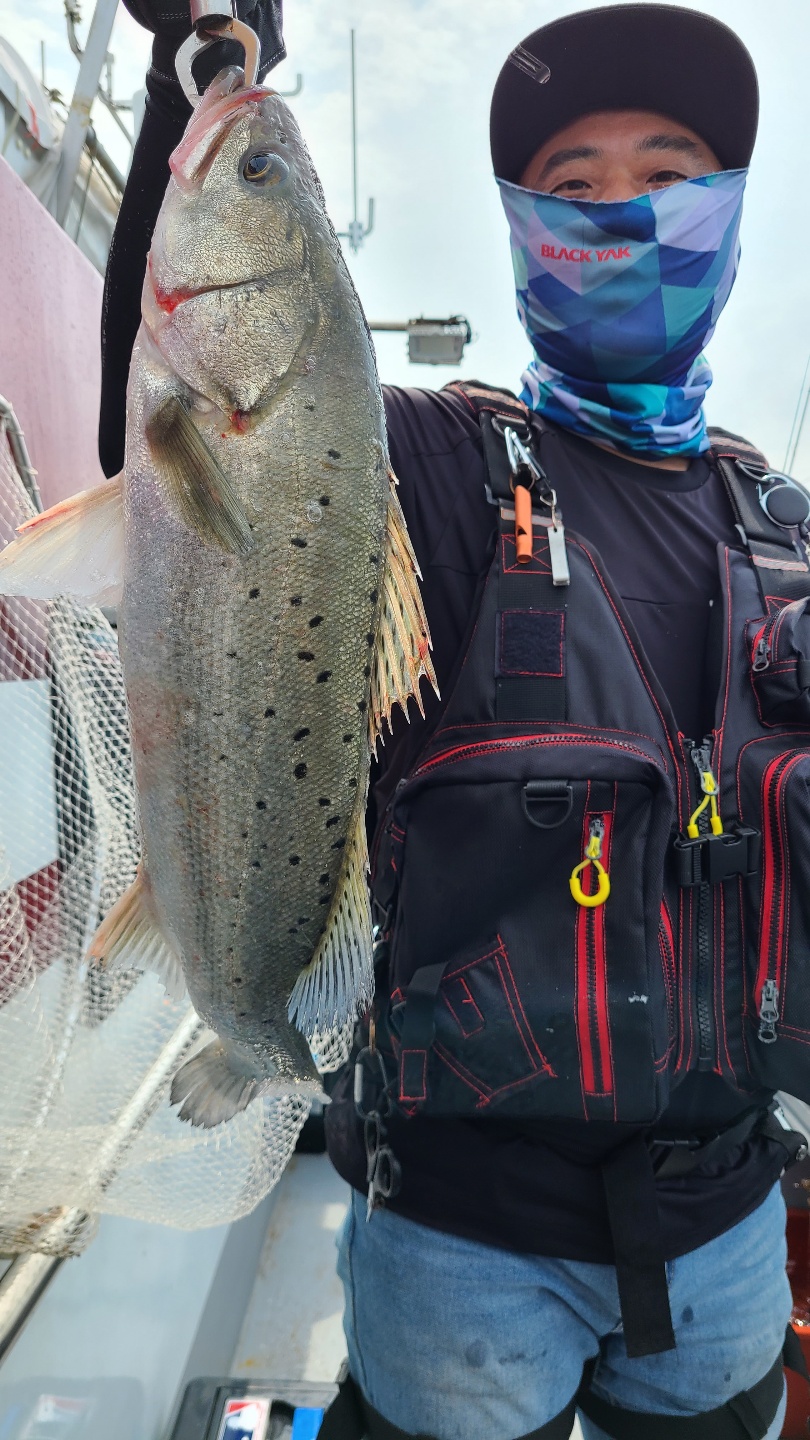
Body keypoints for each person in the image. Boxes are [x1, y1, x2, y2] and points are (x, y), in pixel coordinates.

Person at [101, 5, 810, 1438]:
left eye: (668, 173)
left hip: (729, 1224)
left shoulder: (784, 526)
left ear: (730, 214)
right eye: (574, 184)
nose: (622, 212)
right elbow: (204, 452)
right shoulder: (422, 461)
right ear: (521, 231)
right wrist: (208, 79)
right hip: (459, 1246)